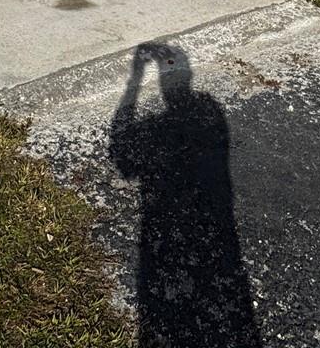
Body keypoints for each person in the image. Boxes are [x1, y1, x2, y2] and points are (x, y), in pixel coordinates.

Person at [108, 42, 261, 348]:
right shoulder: (209, 108)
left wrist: (135, 81)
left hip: (163, 228)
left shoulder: (196, 111)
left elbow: (123, 161)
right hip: (218, 223)